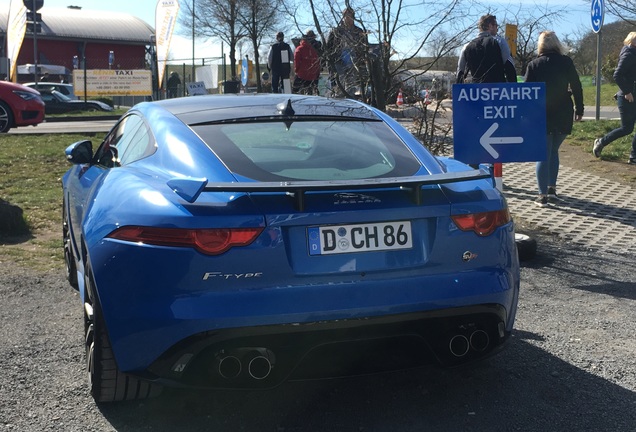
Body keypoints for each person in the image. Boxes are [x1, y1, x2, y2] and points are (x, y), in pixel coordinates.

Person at [524, 31, 584, 207]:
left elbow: (526, 92)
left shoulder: (534, 65)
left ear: (540, 45)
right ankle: (552, 189)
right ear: (557, 44)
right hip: (564, 111)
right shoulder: (566, 62)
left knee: (543, 153)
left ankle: (542, 196)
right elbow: (576, 85)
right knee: (554, 150)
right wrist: (579, 108)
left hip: (541, 113)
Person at [593, 31, 636, 165]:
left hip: (632, 94)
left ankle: (634, 156)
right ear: (632, 41)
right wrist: (626, 91)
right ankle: (601, 142)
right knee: (626, 128)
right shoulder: (629, 54)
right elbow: (617, 74)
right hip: (627, 97)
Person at [456, 14, 516, 83]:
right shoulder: (499, 42)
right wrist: (513, 88)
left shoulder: (466, 46)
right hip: (498, 90)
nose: (497, 29)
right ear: (490, 26)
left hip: (476, 90)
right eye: (496, 26)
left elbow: (460, 72)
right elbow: (510, 67)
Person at [325, 7, 368, 97]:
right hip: (339, 61)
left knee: (351, 86)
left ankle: (350, 102)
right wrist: (330, 63)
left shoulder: (358, 31)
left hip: (354, 62)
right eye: (345, 15)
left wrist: (362, 62)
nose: (347, 18)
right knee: (340, 86)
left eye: (350, 15)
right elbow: (329, 48)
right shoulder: (336, 31)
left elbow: (364, 47)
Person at [293, 30, 322, 95]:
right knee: (311, 91)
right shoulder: (314, 48)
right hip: (312, 73)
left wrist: (296, 70)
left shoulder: (299, 49)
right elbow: (317, 60)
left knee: (295, 90)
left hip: (301, 74)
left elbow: (296, 60)